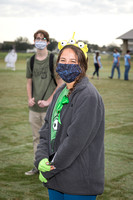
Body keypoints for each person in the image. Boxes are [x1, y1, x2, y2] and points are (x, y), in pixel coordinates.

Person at [35, 43, 105, 200]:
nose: (66, 65)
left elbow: (74, 142)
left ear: (83, 64)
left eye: (73, 62)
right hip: (55, 180)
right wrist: (41, 159)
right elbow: (46, 129)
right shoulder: (60, 91)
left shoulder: (88, 96)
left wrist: (49, 169)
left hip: (78, 182)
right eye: (63, 60)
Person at [25, 30, 63, 175]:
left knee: (53, 139)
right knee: (37, 138)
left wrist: (48, 101)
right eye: (37, 39)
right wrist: (30, 98)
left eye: (42, 39)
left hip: (51, 108)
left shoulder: (53, 59)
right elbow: (29, 83)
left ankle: (53, 168)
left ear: (47, 42)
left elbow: (60, 84)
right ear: (34, 41)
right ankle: (38, 166)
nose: (39, 41)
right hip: (34, 109)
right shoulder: (31, 61)